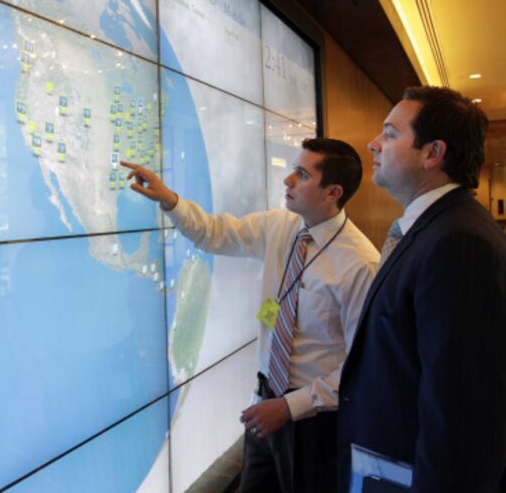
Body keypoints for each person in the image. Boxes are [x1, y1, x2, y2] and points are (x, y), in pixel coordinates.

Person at [123, 138, 380, 492]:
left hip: (313, 421)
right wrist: (170, 200)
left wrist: (289, 407)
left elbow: (362, 367)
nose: (287, 180)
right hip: (264, 403)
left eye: (302, 174)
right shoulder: (281, 226)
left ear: (332, 191)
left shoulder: (360, 264)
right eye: (293, 169)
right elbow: (214, 233)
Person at [338, 87, 506, 492]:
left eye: (390, 134)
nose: (374, 144)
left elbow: (462, 422)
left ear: (433, 153)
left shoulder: (461, 245)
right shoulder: (436, 230)